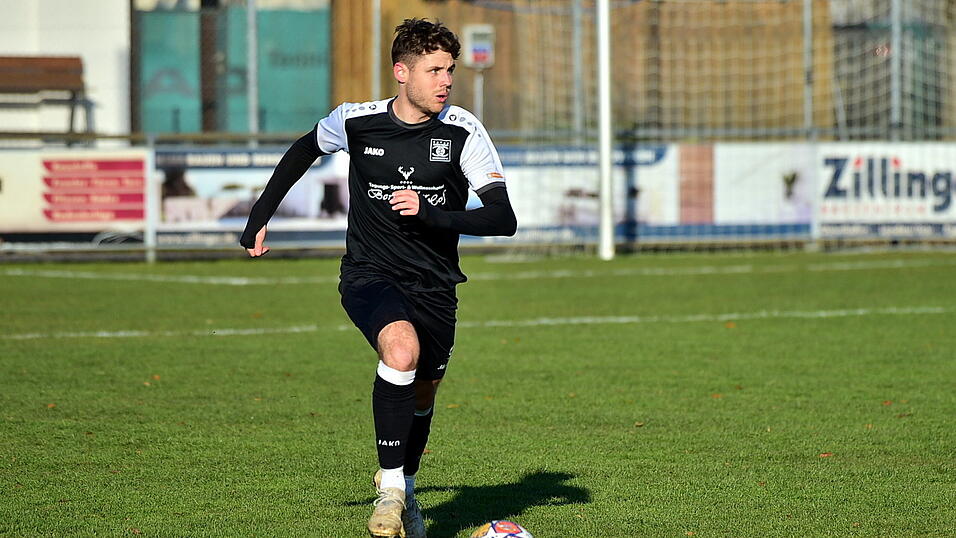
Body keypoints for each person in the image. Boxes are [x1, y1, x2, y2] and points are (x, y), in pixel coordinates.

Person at [239, 18, 517, 538]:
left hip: (435, 283)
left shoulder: (463, 130)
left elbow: (503, 220)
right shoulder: (355, 122)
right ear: (401, 72)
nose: (446, 80)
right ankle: (390, 492)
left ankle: (406, 491)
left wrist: (430, 214)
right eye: (434, 70)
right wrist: (259, 217)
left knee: (423, 393)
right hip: (369, 272)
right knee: (401, 352)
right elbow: (304, 150)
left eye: (449, 70)